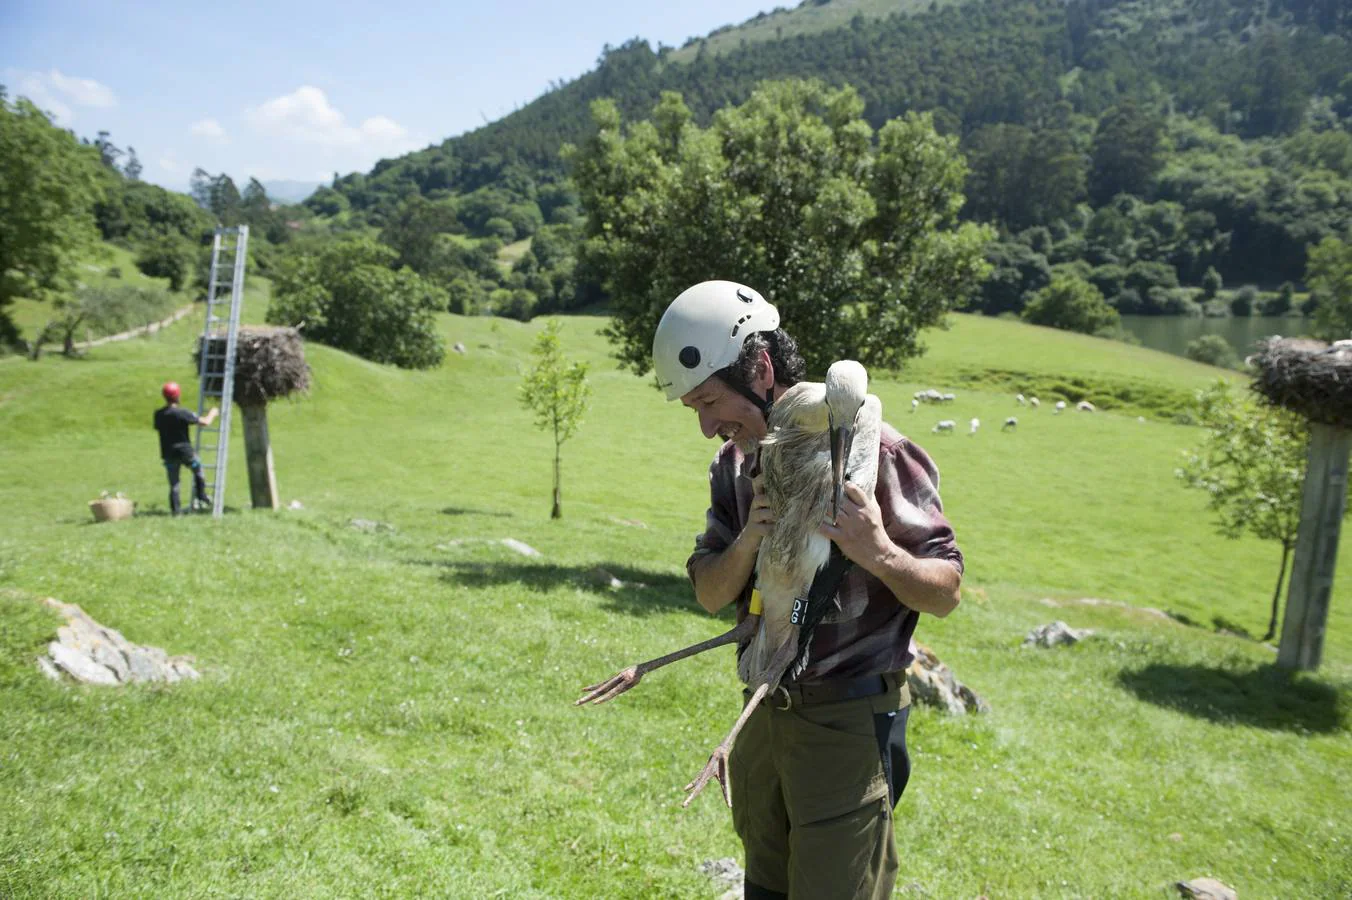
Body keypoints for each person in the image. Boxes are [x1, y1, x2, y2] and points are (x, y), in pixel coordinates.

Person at [652, 281, 964, 900]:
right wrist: (747, 541)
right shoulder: (735, 469)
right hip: (764, 721)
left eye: (712, 402)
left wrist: (876, 550)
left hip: (848, 725)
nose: (709, 427)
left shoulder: (879, 455)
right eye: (696, 410)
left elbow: (946, 590)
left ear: (761, 367)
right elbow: (711, 594)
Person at [153, 382, 217, 515]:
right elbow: (205, 422)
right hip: (185, 451)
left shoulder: (158, 414)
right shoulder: (182, 413)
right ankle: (202, 496)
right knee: (198, 470)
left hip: (169, 453)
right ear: (177, 395)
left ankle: (176, 511)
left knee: (174, 484)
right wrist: (213, 413)